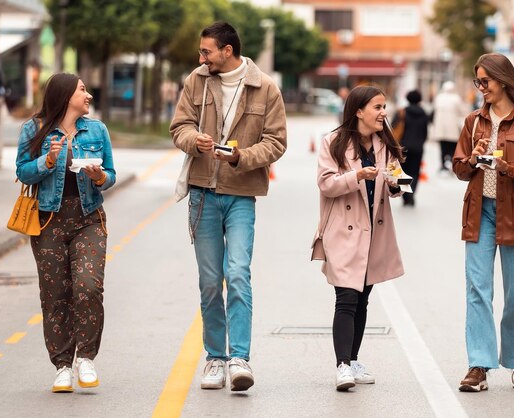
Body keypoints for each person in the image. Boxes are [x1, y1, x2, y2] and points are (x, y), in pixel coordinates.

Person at [170, 21, 287, 392]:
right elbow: (179, 127)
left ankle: (240, 358)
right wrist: (194, 140)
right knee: (209, 281)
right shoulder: (197, 81)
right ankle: (215, 359)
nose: (200, 57)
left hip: (241, 194)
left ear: (227, 50)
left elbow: (277, 141)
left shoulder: (265, 87)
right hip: (202, 193)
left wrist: (242, 157)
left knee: (237, 273)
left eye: (206, 51)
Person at [452, 53, 514, 392]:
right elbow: (459, 169)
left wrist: (506, 166)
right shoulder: (473, 121)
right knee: (477, 290)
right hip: (480, 212)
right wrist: (472, 157)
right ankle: (479, 365)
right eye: (477, 82)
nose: (481, 88)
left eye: (485, 81)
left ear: (503, 80)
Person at [15, 73, 116, 393]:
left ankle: (85, 358)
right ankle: (62, 365)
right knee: (55, 295)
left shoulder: (96, 129)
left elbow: (111, 174)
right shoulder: (33, 129)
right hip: (47, 223)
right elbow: (22, 171)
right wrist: (47, 160)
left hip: (88, 219)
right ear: (65, 95)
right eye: (82, 90)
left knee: (88, 287)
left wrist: (99, 176)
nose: (88, 96)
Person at [315, 85, 405, 391]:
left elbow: (393, 181)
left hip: (373, 230)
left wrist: (395, 184)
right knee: (347, 297)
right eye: (377, 107)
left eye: (384, 107)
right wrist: (357, 176)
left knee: (363, 298)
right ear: (359, 111)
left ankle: (352, 361)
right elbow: (326, 185)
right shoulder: (333, 142)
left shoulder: (385, 144)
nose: (383, 113)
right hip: (343, 230)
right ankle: (342, 366)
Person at [392, 89, 430, 207]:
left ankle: (406, 195)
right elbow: (425, 132)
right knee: (415, 172)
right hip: (418, 147)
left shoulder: (402, 112)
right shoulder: (424, 113)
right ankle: (412, 193)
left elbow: (394, 128)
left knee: (403, 172)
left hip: (403, 147)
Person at [433, 81, 468, 172]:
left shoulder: (439, 98)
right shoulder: (456, 98)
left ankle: (442, 165)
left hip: (441, 130)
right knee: (453, 149)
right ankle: (453, 165)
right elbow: (463, 111)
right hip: (453, 130)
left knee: (442, 149)